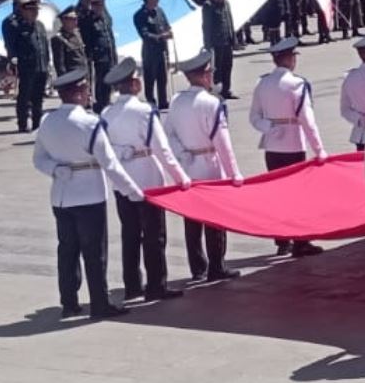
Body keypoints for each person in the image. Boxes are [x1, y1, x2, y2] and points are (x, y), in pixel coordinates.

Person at [31, 67, 146, 319]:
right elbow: (110, 163)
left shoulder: (47, 121)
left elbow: (38, 159)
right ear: (79, 92)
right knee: (94, 253)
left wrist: (54, 168)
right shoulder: (89, 122)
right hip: (89, 195)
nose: (87, 93)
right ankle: (99, 303)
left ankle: (69, 302)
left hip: (61, 195)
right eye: (84, 89)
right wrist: (132, 191)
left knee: (67, 251)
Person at [102, 57, 191, 301]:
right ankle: (156, 285)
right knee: (154, 235)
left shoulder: (107, 112)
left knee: (129, 234)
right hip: (148, 180)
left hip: (122, 181)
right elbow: (162, 150)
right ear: (134, 84)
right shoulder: (143, 111)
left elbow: (106, 148)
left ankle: (132, 285)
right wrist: (181, 178)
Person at [164, 51, 242, 282]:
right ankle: (216, 266)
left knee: (192, 220)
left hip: (188, 166)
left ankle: (198, 267)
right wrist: (233, 173)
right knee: (214, 219)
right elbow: (223, 143)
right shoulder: (211, 103)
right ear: (204, 76)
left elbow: (169, 135)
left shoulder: (177, 101)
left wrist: (182, 154)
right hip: (210, 166)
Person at [249, 36, 328, 257]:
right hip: (294, 144)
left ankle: (282, 239)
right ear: (289, 59)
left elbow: (254, 116)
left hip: (272, 146)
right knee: (297, 195)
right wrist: (319, 149)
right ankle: (300, 241)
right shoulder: (296, 84)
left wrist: (269, 127)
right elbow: (307, 120)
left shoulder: (262, 83)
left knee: (278, 194)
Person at [3, 0, 53, 133]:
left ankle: (38, 123)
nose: (35, 13)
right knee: (24, 96)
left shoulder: (40, 26)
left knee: (38, 97)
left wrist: (47, 64)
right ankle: (23, 123)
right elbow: (11, 47)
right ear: (24, 11)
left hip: (41, 65)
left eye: (36, 10)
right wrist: (13, 62)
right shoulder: (17, 27)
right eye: (31, 10)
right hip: (27, 67)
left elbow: (44, 46)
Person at [134, 0, 173, 108]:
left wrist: (169, 32)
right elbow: (144, 34)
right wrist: (161, 36)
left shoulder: (159, 11)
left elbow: (166, 25)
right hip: (150, 51)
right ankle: (150, 101)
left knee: (162, 77)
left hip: (162, 49)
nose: (157, 0)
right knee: (150, 77)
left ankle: (163, 101)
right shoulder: (140, 15)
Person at [203, 0, 238, 99]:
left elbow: (230, 21)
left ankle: (226, 90)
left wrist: (234, 39)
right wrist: (207, 45)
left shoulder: (226, 3)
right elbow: (206, 26)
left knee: (228, 66)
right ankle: (218, 90)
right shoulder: (209, 5)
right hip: (216, 42)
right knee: (217, 68)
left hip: (227, 40)